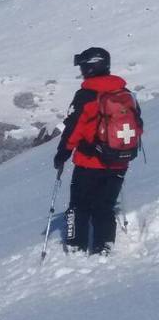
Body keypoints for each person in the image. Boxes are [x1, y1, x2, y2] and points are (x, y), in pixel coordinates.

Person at [53, 47, 142, 255]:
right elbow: (139, 125)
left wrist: (62, 153)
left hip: (89, 162)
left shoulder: (86, 95)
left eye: (83, 66)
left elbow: (74, 128)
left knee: (79, 206)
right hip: (120, 160)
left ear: (91, 67)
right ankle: (105, 246)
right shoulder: (125, 93)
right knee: (105, 206)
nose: (82, 71)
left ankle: (76, 247)